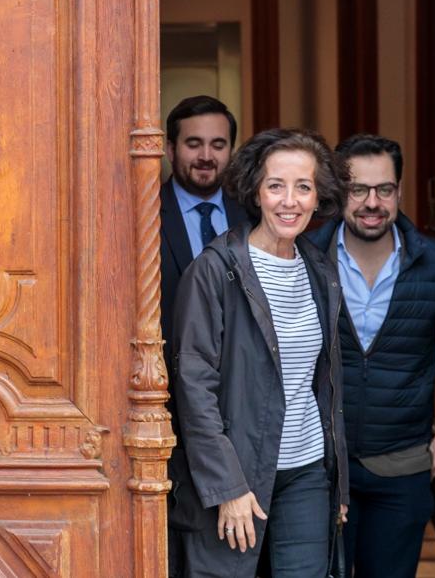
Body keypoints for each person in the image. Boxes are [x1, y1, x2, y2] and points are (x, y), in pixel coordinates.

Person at [168, 128, 350, 577]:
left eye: (303, 187)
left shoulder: (319, 270)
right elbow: (194, 385)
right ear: (255, 191)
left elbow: (325, 383)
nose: (290, 201)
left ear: (318, 197)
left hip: (306, 471)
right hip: (237, 473)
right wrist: (227, 485)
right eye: (276, 186)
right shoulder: (213, 270)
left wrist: (337, 481)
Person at [307, 134, 435, 578]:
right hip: (319, 467)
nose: (371, 203)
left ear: (399, 191)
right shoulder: (306, 257)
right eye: (358, 190)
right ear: (338, 194)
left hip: (402, 468)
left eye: (384, 189)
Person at [159, 96, 248, 575]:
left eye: (218, 144)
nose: (206, 155)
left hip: (239, 412)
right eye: (194, 143)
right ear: (171, 148)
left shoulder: (255, 216)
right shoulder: (140, 215)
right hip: (161, 411)